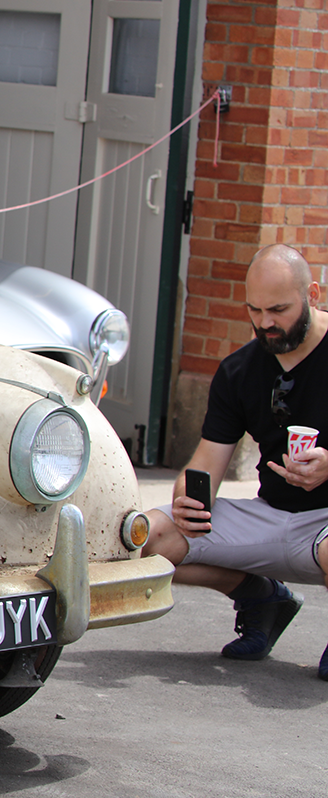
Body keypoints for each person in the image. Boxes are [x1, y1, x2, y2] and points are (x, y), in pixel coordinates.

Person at [144, 244, 328, 680]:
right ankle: (261, 598)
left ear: (314, 295)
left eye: (279, 309)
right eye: (255, 310)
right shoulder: (239, 371)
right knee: (145, 538)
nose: (265, 323)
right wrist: (188, 495)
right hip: (270, 517)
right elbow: (207, 462)